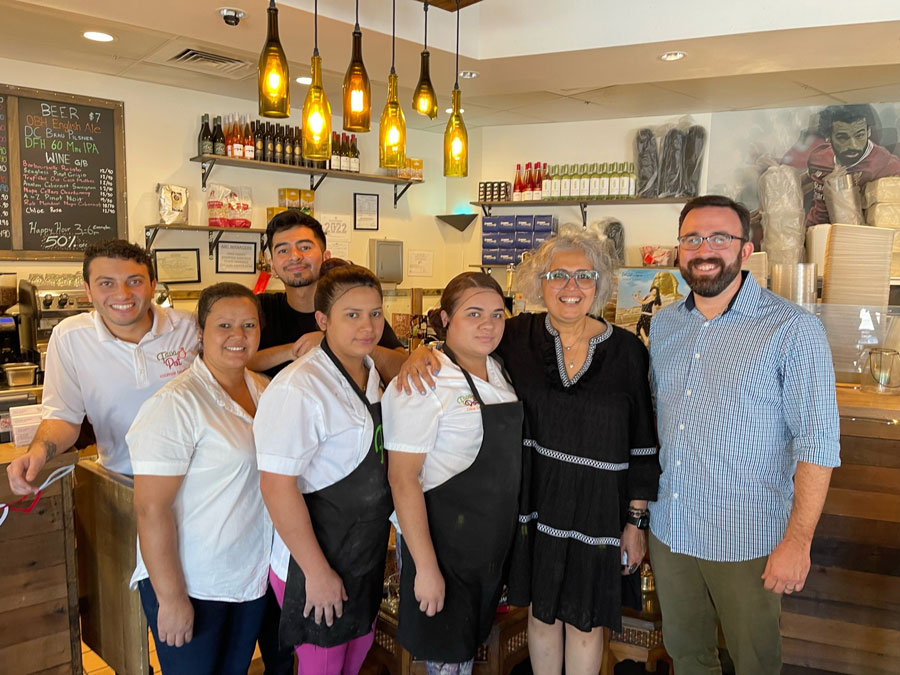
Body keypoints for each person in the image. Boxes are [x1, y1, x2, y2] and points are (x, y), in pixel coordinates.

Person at [398, 232, 659, 675]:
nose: (570, 287)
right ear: (540, 282)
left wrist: (635, 523)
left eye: (583, 276)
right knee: (540, 616)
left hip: (598, 511)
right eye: (558, 275)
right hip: (535, 507)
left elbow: (643, 442)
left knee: (586, 623)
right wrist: (416, 354)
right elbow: (461, 346)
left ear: (600, 284)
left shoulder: (628, 352)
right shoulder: (516, 336)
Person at [648, 195, 841, 674]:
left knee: (755, 662)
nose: (704, 249)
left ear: (746, 250)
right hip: (671, 529)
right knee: (688, 656)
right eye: (692, 238)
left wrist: (798, 542)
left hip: (748, 538)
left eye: (719, 238)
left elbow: (818, 445)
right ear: (678, 250)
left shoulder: (793, 329)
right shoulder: (666, 323)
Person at [255, 265, 394, 675]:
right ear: (322, 321)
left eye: (375, 313)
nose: (367, 325)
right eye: (352, 314)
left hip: (363, 554)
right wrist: (317, 572)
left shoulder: (371, 374)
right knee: (323, 666)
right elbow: (277, 487)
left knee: (356, 656)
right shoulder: (299, 387)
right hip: (312, 560)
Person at [127, 283, 271, 675]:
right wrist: (171, 599)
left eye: (248, 325)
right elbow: (150, 508)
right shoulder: (176, 404)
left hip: (248, 575)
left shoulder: (264, 390)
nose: (237, 336)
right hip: (193, 582)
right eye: (224, 325)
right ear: (201, 332)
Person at [383, 272, 523, 675]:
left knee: (464, 655)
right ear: (445, 319)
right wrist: (426, 569)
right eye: (473, 313)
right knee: (445, 662)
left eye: (498, 314)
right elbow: (402, 480)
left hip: (486, 548)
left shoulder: (499, 369)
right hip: (442, 548)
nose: (488, 324)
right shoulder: (423, 381)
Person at [6, 239, 199, 494]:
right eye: (106, 283)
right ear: (88, 290)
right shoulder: (69, 337)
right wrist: (39, 451)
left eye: (135, 281)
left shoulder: (188, 328)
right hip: (121, 479)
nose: (123, 294)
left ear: (152, 285)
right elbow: (63, 417)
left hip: (195, 477)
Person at [248, 210, 405, 379]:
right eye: (283, 251)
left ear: (326, 256)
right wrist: (293, 350)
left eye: (305, 247)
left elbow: (403, 366)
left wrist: (338, 345)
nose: (294, 256)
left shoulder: (351, 306)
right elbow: (233, 362)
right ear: (272, 265)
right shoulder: (260, 308)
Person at [806, 104, 900, 226]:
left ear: (869, 131)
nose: (853, 145)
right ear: (828, 137)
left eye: (860, 135)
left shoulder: (887, 167)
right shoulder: (818, 157)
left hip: (858, 238)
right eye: (842, 137)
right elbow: (807, 181)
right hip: (812, 235)